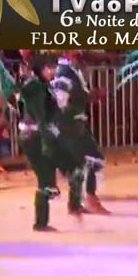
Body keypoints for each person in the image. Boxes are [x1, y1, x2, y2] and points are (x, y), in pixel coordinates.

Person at [15, 53, 75, 231]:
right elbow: (41, 118)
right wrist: (49, 142)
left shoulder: (39, 85)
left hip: (35, 135)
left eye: (53, 67)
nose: (53, 71)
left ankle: (43, 219)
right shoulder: (36, 87)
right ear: (41, 69)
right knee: (46, 178)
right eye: (49, 68)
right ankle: (41, 222)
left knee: (48, 177)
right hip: (35, 137)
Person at [52, 51, 110, 214]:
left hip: (74, 124)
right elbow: (61, 101)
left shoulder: (72, 69)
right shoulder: (63, 71)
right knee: (92, 159)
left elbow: (74, 97)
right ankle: (90, 199)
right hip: (68, 125)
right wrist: (92, 96)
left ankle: (75, 204)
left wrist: (92, 96)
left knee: (82, 163)